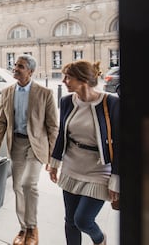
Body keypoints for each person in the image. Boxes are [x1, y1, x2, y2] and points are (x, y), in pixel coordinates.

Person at [48, 60, 120, 245]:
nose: (64, 81)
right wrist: (54, 164)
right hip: (71, 167)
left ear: (83, 80)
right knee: (70, 221)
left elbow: (120, 144)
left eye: (68, 77)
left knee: (83, 220)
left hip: (99, 170)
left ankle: (100, 239)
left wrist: (117, 178)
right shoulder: (66, 101)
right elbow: (61, 135)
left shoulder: (110, 103)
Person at [0, 54, 59, 245]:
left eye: (20, 66)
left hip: (36, 145)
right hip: (16, 145)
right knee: (17, 187)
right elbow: (1, 121)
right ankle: (23, 229)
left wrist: (54, 158)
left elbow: (53, 126)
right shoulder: (7, 92)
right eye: (15, 65)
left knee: (29, 184)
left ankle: (33, 227)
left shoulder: (44, 93)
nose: (15, 68)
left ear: (30, 71)